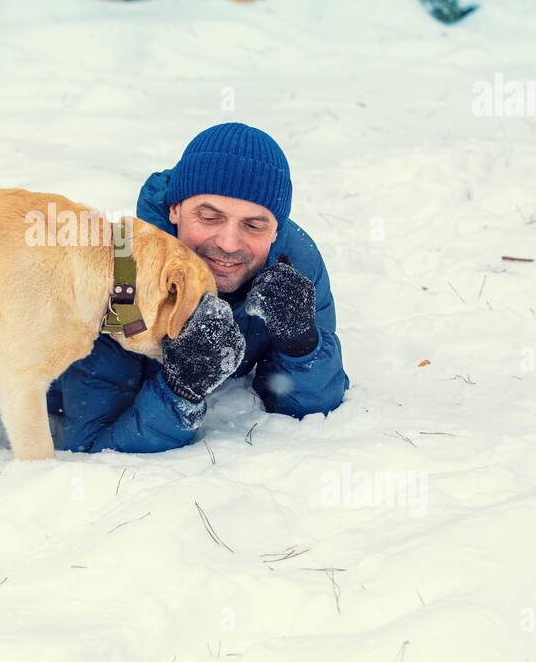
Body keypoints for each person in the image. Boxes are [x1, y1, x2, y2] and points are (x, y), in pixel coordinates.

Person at [47, 122, 349, 452]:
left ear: (276, 230)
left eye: (252, 224)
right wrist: (180, 390)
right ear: (175, 210)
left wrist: (301, 344)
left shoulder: (294, 263)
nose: (229, 243)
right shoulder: (121, 275)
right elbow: (93, 445)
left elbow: (311, 409)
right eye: (209, 217)